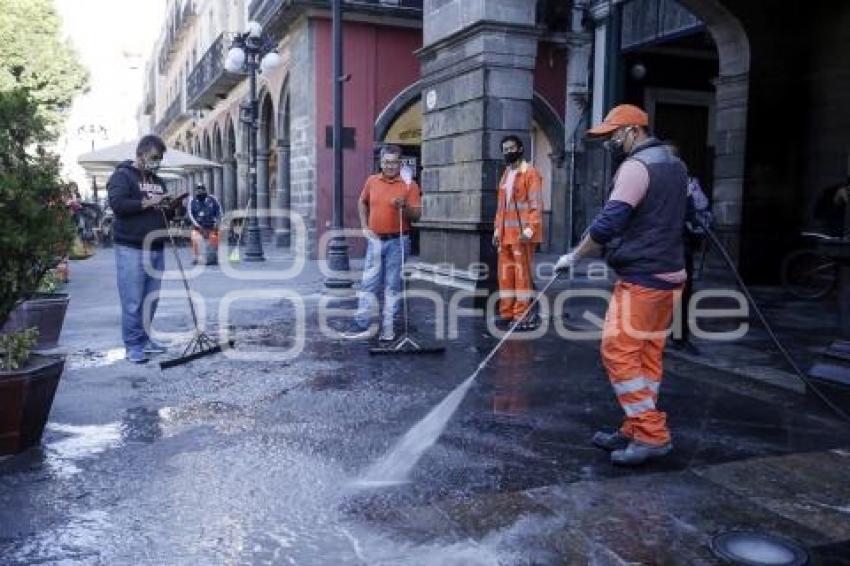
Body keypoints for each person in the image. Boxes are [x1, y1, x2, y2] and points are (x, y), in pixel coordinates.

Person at [555, 104, 688, 466]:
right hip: (670, 274)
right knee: (646, 355)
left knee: (618, 350)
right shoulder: (675, 164)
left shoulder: (636, 166)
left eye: (614, 134)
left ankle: (652, 435)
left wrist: (574, 256)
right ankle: (635, 426)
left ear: (633, 131)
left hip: (643, 277)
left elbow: (609, 222)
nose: (611, 141)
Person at [344, 145, 422, 342]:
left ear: (400, 163)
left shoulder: (409, 185)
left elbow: (417, 216)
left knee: (392, 285)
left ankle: (389, 328)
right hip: (375, 240)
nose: (389, 166)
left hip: (398, 241)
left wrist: (404, 207)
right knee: (368, 283)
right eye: (386, 162)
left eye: (394, 162)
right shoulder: (372, 180)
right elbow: (362, 202)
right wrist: (364, 226)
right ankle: (361, 323)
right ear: (381, 162)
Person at [107, 135, 171, 363]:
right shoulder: (122, 176)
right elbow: (118, 205)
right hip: (131, 248)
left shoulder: (157, 180)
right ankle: (133, 345)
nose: (158, 162)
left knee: (151, 298)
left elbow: (163, 210)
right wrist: (149, 202)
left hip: (156, 246)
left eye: (160, 158)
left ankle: (145, 339)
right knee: (133, 299)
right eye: (155, 157)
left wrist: (170, 206)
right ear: (142, 154)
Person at [492, 135, 544, 330]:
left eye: (511, 148)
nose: (508, 152)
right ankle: (506, 313)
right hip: (505, 236)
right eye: (505, 149)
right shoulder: (506, 174)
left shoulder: (530, 173)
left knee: (522, 278)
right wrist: (497, 229)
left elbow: (535, 203)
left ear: (521, 149)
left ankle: (521, 315)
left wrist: (530, 229)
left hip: (522, 236)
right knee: (505, 276)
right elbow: (501, 207)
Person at [187, 183, 221, 264]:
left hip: (212, 226)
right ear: (196, 191)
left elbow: (219, 211)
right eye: (198, 189)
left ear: (205, 190)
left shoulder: (213, 199)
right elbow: (190, 215)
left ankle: (214, 256)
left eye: (202, 189)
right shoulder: (192, 201)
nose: (200, 191)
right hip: (198, 227)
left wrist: (217, 222)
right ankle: (196, 257)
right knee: (195, 237)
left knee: (215, 238)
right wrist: (198, 226)